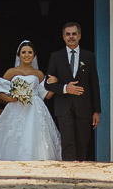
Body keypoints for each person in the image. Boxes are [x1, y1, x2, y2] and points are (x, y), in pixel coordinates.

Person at [0, 41, 61, 161]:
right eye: (24, 52)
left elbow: (46, 95)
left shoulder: (38, 74)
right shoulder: (11, 72)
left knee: (34, 134)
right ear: (19, 55)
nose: (27, 55)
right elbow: (0, 91)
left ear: (34, 55)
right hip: (16, 106)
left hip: (35, 108)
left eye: (30, 52)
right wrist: (10, 98)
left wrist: (55, 84)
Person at [43, 22, 102, 162]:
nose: (71, 37)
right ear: (63, 37)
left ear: (79, 36)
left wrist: (97, 111)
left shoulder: (89, 56)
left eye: (74, 34)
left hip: (84, 107)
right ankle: (68, 174)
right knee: (67, 143)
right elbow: (47, 84)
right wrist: (65, 88)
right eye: (68, 34)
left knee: (82, 142)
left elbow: (94, 85)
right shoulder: (56, 56)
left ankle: (80, 172)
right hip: (63, 107)